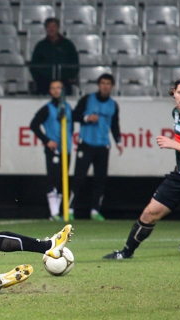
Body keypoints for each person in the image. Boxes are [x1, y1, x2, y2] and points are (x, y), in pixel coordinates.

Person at [104, 77, 180, 259]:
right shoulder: (176, 112)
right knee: (150, 213)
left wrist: (173, 144)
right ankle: (126, 252)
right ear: (174, 93)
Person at [70, 74, 123, 221]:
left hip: (102, 146)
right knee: (79, 177)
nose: (105, 86)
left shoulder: (113, 105)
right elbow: (74, 115)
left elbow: (114, 124)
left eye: (108, 83)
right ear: (99, 85)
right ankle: (70, 208)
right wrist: (87, 118)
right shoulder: (87, 100)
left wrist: (118, 141)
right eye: (103, 83)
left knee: (100, 179)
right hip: (86, 143)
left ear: (111, 86)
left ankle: (95, 210)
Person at [30, 80, 73, 221]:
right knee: (53, 179)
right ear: (50, 91)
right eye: (53, 88)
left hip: (66, 150)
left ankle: (58, 212)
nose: (56, 91)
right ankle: (53, 212)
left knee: (62, 180)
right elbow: (34, 125)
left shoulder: (68, 107)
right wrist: (47, 140)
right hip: (53, 150)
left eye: (59, 88)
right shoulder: (47, 108)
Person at [29, 17, 79, 96]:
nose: (51, 29)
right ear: (45, 28)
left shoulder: (68, 45)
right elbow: (34, 65)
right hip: (44, 84)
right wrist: (38, 79)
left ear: (58, 28)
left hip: (64, 82)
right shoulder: (40, 46)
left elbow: (74, 62)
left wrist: (70, 77)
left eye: (53, 26)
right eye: (49, 27)